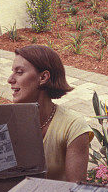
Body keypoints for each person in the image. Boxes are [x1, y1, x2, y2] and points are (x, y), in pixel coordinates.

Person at [8, 45, 93, 182]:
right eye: (13, 72)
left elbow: (75, 190)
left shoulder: (74, 127)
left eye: (19, 72)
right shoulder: (6, 122)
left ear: (43, 77)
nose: (10, 79)